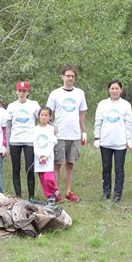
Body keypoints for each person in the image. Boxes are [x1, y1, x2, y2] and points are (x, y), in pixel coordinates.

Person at [46, 65, 88, 203]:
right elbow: (48, 114)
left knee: (70, 164)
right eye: (68, 75)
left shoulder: (80, 93)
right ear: (62, 76)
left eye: (72, 76)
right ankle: (55, 192)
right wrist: (50, 130)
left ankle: (68, 192)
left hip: (74, 135)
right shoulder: (55, 94)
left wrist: (84, 131)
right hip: (59, 134)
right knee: (57, 164)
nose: (70, 78)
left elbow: (82, 113)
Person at [93, 80, 132, 203]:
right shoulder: (102, 104)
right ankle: (106, 192)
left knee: (119, 169)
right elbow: (98, 122)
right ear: (109, 90)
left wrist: (129, 140)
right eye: (112, 88)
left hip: (120, 143)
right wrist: (97, 138)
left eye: (117, 88)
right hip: (105, 142)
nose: (114, 91)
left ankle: (117, 194)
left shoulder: (126, 105)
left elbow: (128, 123)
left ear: (121, 90)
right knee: (106, 168)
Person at [6, 81, 40, 199]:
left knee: (29, 168)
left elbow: (42, 118)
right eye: (19, 91)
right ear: (16, 92)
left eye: (24, 91)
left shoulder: (34, 105)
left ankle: (31, 196)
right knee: (16, 168)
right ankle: (18, 196)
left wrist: (52, 126)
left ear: (27, 92)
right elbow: (8, 126)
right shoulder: (11, 106)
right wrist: (7, 145)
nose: (21, 93)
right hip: (15, 140)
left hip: (29, 140)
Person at [33, 107, 59, 204]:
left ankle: (55, 190)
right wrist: (39, 155)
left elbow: (52, 143)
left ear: (50, 117)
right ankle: (50, 196)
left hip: (48, 157)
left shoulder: (51, 129)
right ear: (39, 116)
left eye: (46, 115)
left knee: (48, 178)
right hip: (38, 157)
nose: (43, 117)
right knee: (42, 178)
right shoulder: (35, 129)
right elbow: (35, 143)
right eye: (42, 115)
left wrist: (46, 156)